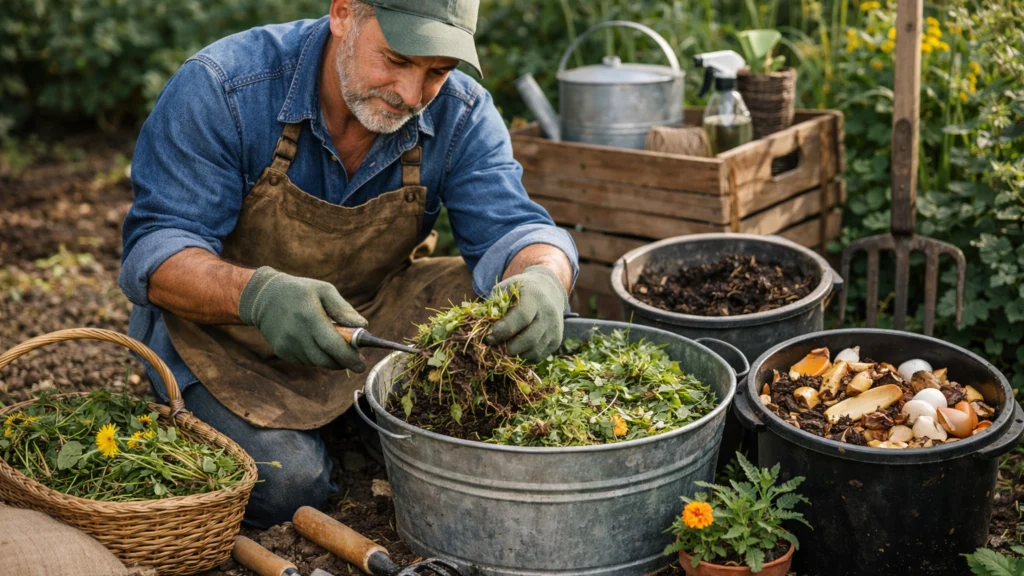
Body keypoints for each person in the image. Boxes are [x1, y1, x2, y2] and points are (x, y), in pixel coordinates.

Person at [118, 0, 578, 528]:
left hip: (367, 321)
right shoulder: (224, 86)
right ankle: (333, 429)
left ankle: (354, 414)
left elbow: (516, 229)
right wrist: (258, 297)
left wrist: (544, 275)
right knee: (288, 483)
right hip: (224, 336)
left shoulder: (461, 111)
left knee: (489, 308)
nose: (411, 94)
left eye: (436, 72)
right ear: (343, 14)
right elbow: (156, 253)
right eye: (397, 60)